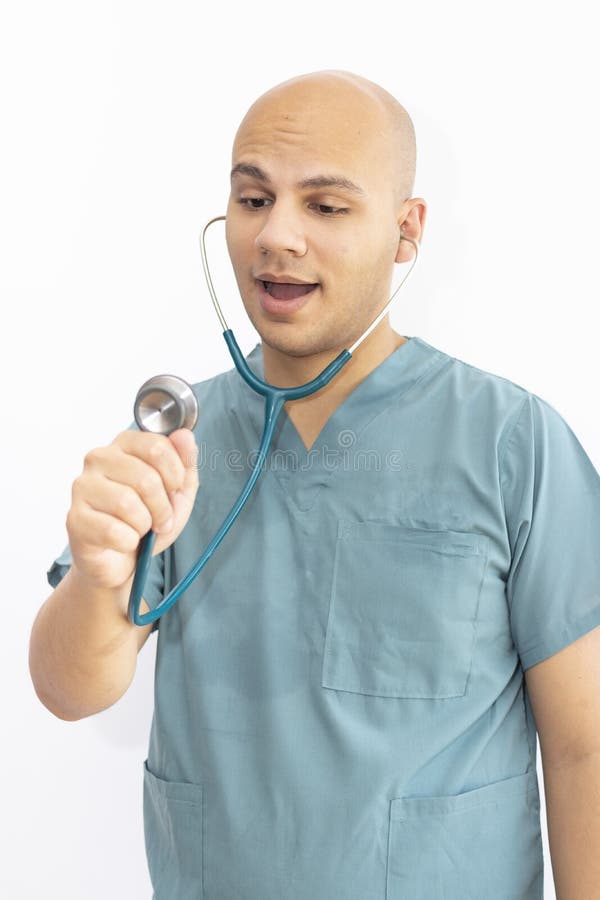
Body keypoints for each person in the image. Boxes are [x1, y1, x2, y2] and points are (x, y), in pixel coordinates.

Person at [29, 70, 600, 899]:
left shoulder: (513, 442)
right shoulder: (172, 445)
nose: (277, 238)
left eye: (326, 207)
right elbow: (67, 690)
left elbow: (585, 743)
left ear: (407, 232)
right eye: (254, 200)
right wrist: (97, 571)